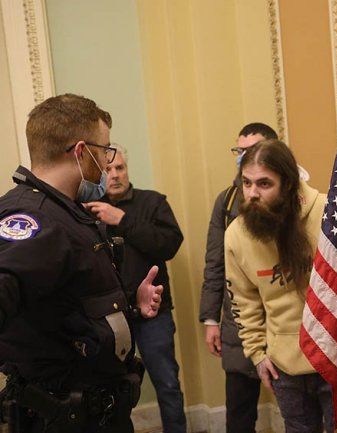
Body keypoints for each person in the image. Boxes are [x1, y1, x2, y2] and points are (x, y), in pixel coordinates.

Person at [0, 93, 163, 432]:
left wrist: (131, 303)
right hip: (63, 415)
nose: (107, 162)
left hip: (95, 409)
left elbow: (65, 305)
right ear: (79, 151)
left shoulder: (64, 213)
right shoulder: (36, 218)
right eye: (104, 150)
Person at [225, 140, 337, 433]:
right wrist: (257, 354)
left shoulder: (331, 214)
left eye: (264, 184)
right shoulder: (236, 235)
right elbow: (244, 300)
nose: (251, 193)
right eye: (246, 183)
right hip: (285, 365)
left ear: (287, 185)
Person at [85, 144, 186, 433]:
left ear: (128, 169)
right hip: (110, 319)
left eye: (120, 168)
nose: (115, 174)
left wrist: (122, 220)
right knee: (114, 391)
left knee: (167, 384)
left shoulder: (152, 202)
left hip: (155, 315)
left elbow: (169, 245)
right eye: (108, 169)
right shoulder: (89, 209)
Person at [198, 122, 277, 433]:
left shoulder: (295, 197)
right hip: (238, 323)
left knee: (299, 411)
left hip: (283, 322)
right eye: (239, 151)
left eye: (251, 150)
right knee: (240, 416)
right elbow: (214, 261)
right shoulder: (228, 200)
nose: (243, 156)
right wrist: (210, 319)